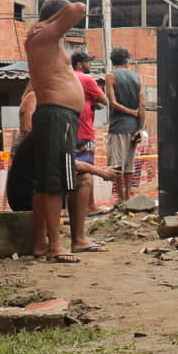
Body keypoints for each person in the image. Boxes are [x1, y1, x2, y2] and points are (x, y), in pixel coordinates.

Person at [20, 0, 115, 262]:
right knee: (55, 183)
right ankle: (56, 246)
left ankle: (44, 243)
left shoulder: (44, 39)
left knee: (49, 182)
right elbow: (79, 8)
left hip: (58, 117)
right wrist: (51, 20)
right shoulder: (44, 35)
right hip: (57, 116)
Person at [69, 51, 108, 250]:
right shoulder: (86, 79)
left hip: (66, 132)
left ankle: (76, 228)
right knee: (85, 177)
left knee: (69, 180)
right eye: (87, 62)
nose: (89, 65)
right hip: (84, 132)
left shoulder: (65, 78)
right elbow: (105, 100)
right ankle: (80, 234)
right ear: (80, 63)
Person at [105, 47, 145, 205]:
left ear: (112, 60)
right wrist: (140, 128)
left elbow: (113, 103)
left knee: (117, 165)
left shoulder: (111, 76)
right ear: (127, 61)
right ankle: (128, 197)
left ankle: (120, 198)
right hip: (133, 128)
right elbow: (142, 104)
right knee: (129, 164)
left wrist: (130, 112)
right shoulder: (137, 77)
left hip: (118, 127)